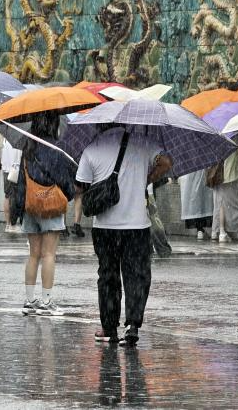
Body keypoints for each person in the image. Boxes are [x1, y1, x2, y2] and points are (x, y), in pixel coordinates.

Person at [77, 127, 171, 346]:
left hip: (104, 227)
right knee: (137, 275)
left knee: (108, 276)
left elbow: (80, 187)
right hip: (137, 226)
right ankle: (132, 325)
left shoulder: (92, 148)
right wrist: (146, 179)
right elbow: (166, 162)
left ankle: (109, 328)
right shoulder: (142, 142)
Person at [19, 113, 76, 317]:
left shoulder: (28, 147)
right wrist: (68, 194)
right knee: (49, 254)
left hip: (31, 205)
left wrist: (20, 207)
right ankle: (46, 301)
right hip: (51, 206)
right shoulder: (56, 148)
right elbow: (65, 181)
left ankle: (29, 300)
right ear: (54, 124)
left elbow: (21, 180)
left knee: (33, 254)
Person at [211, 147, 238, 244]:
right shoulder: (235, 139)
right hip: (232, 175)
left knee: (220, 204)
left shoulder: (215, 139)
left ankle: (221, 232)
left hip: (218, 175)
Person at [179, 170, 213, 240]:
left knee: (195, 204)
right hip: (203, 174)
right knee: (203, 202)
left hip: (191, 175)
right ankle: (206, 230)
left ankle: (199, 229)